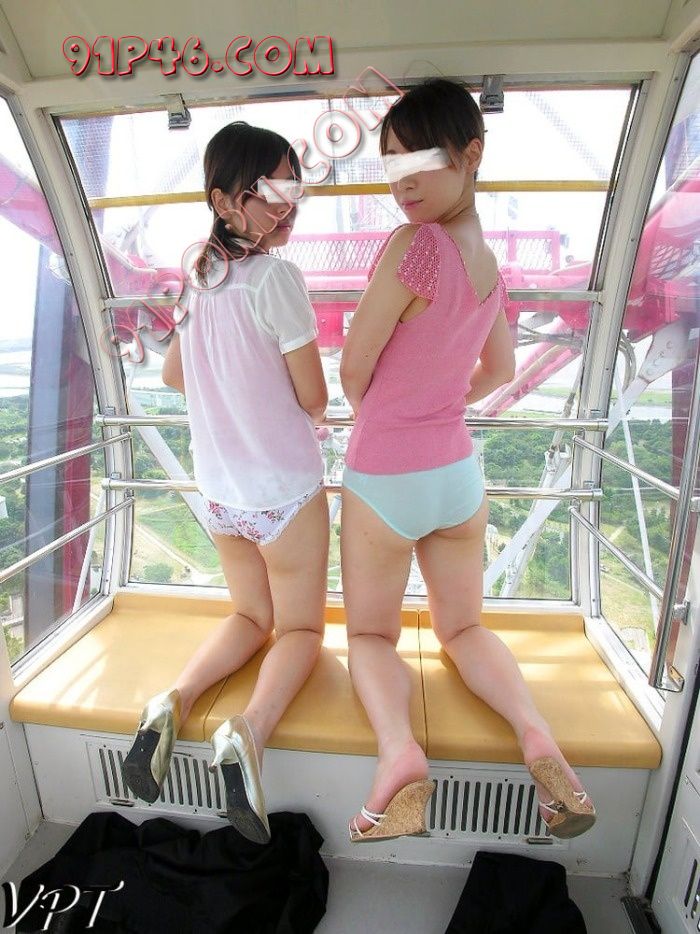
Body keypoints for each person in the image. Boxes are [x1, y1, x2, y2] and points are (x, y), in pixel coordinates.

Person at [339, 79, 595, 842]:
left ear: (470, 154)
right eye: (391, 163)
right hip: (457, 475)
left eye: (420, 158)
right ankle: (537, 737)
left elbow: (353, 369)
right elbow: (499, 371)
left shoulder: (414, 246)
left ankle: (399, 757)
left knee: (370, 637)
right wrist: (440, 400)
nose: (402, 180)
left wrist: (385, 413)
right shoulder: (488, 266)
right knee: (464, 630)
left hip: (386, 476)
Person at [123, 122, 329, 845]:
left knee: (249, 616)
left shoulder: (200, 275)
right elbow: (314, 398)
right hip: (284, 491)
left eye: (293, 190)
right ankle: (250, 732)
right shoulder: (277, 278)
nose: (286, 205)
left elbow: (174, 374)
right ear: (223, 201)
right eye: (269, 192)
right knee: (300, 628)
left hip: (218, 492)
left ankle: (171, 703)